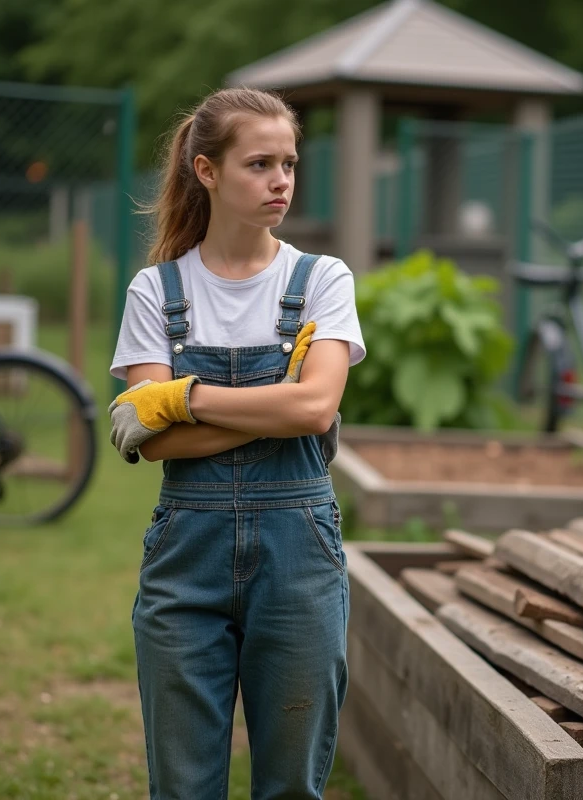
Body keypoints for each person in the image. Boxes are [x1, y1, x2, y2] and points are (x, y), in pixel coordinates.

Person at [107, 86, 366, 800]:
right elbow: (157, 446)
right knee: (183, 786)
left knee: (290, 787)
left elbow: (314, 408)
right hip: (186, 555)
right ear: (207, 171)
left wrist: (181, 398)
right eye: (259, 164)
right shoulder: (155, 291)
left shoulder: (323, 280)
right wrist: (274, 403)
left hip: (299, 555)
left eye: (289, 163)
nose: (281, 180)